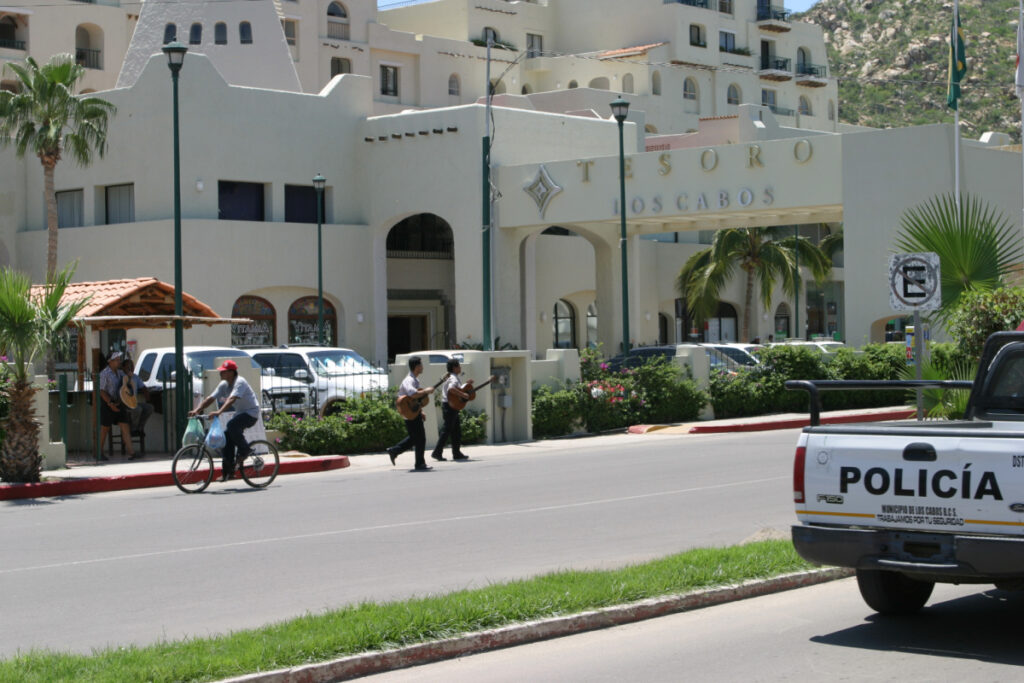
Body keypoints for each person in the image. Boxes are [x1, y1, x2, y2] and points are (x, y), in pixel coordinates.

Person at [189, 359, 260, 482]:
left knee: (232, 425)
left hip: (251, 413)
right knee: (226, 438)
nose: (221, 373)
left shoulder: (240, 382)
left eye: (224, 371)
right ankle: (228, 472)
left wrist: (218, 412)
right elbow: (210, 398)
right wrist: (197, 410)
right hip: (240, 413)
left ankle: (245, 449)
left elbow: (231, 399)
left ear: (232, 372)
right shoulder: (224, 384)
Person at [386, 356, 435, 471]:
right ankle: (419, 463)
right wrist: (427, 391)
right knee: (420, 438)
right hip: (409, 412)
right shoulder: (409, 380)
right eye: (421, 365)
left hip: (413, 411)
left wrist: (421, 410)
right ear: (417, 367)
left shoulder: (415, 380)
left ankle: (394, 450)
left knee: (415, 438)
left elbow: (415, 400)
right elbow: (412, 394)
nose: (422, 367)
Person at [98, 351, 137, 461]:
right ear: (110, 362)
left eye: (119, 359)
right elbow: (101, 391)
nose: (119, 361)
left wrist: (129, 376)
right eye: (116, 359)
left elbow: (125, 385)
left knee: (125, 426)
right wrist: (110, 403)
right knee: (105, 428)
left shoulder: (120, 373)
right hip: (108, 403)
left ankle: (131, 452)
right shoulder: (104, 374)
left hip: (120, 403)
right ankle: (99, 452)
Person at [431, 358, 470, 462]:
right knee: (447, 430)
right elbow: (451, 389)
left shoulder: (453, 377)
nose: (460, 368)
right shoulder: (453, 378)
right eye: (458, 366)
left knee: (456, 430)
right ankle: (437, 452)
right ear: (454, 368)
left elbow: (456, 388)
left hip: (451, 405)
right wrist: (463, 394)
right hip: (450, 406)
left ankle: (456, 453)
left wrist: (466, 385)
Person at [121, 358, 154, 438]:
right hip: (123, 403)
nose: (130, 369)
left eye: (132, 367)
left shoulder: (135, 377)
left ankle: (140, 427)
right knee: (137, 409)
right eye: (128, 367)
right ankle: (133, 429)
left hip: (133, 402)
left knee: (149, 408)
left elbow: (143, 388)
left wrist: (148, 399)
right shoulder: (120, 376)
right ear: (123, 367)